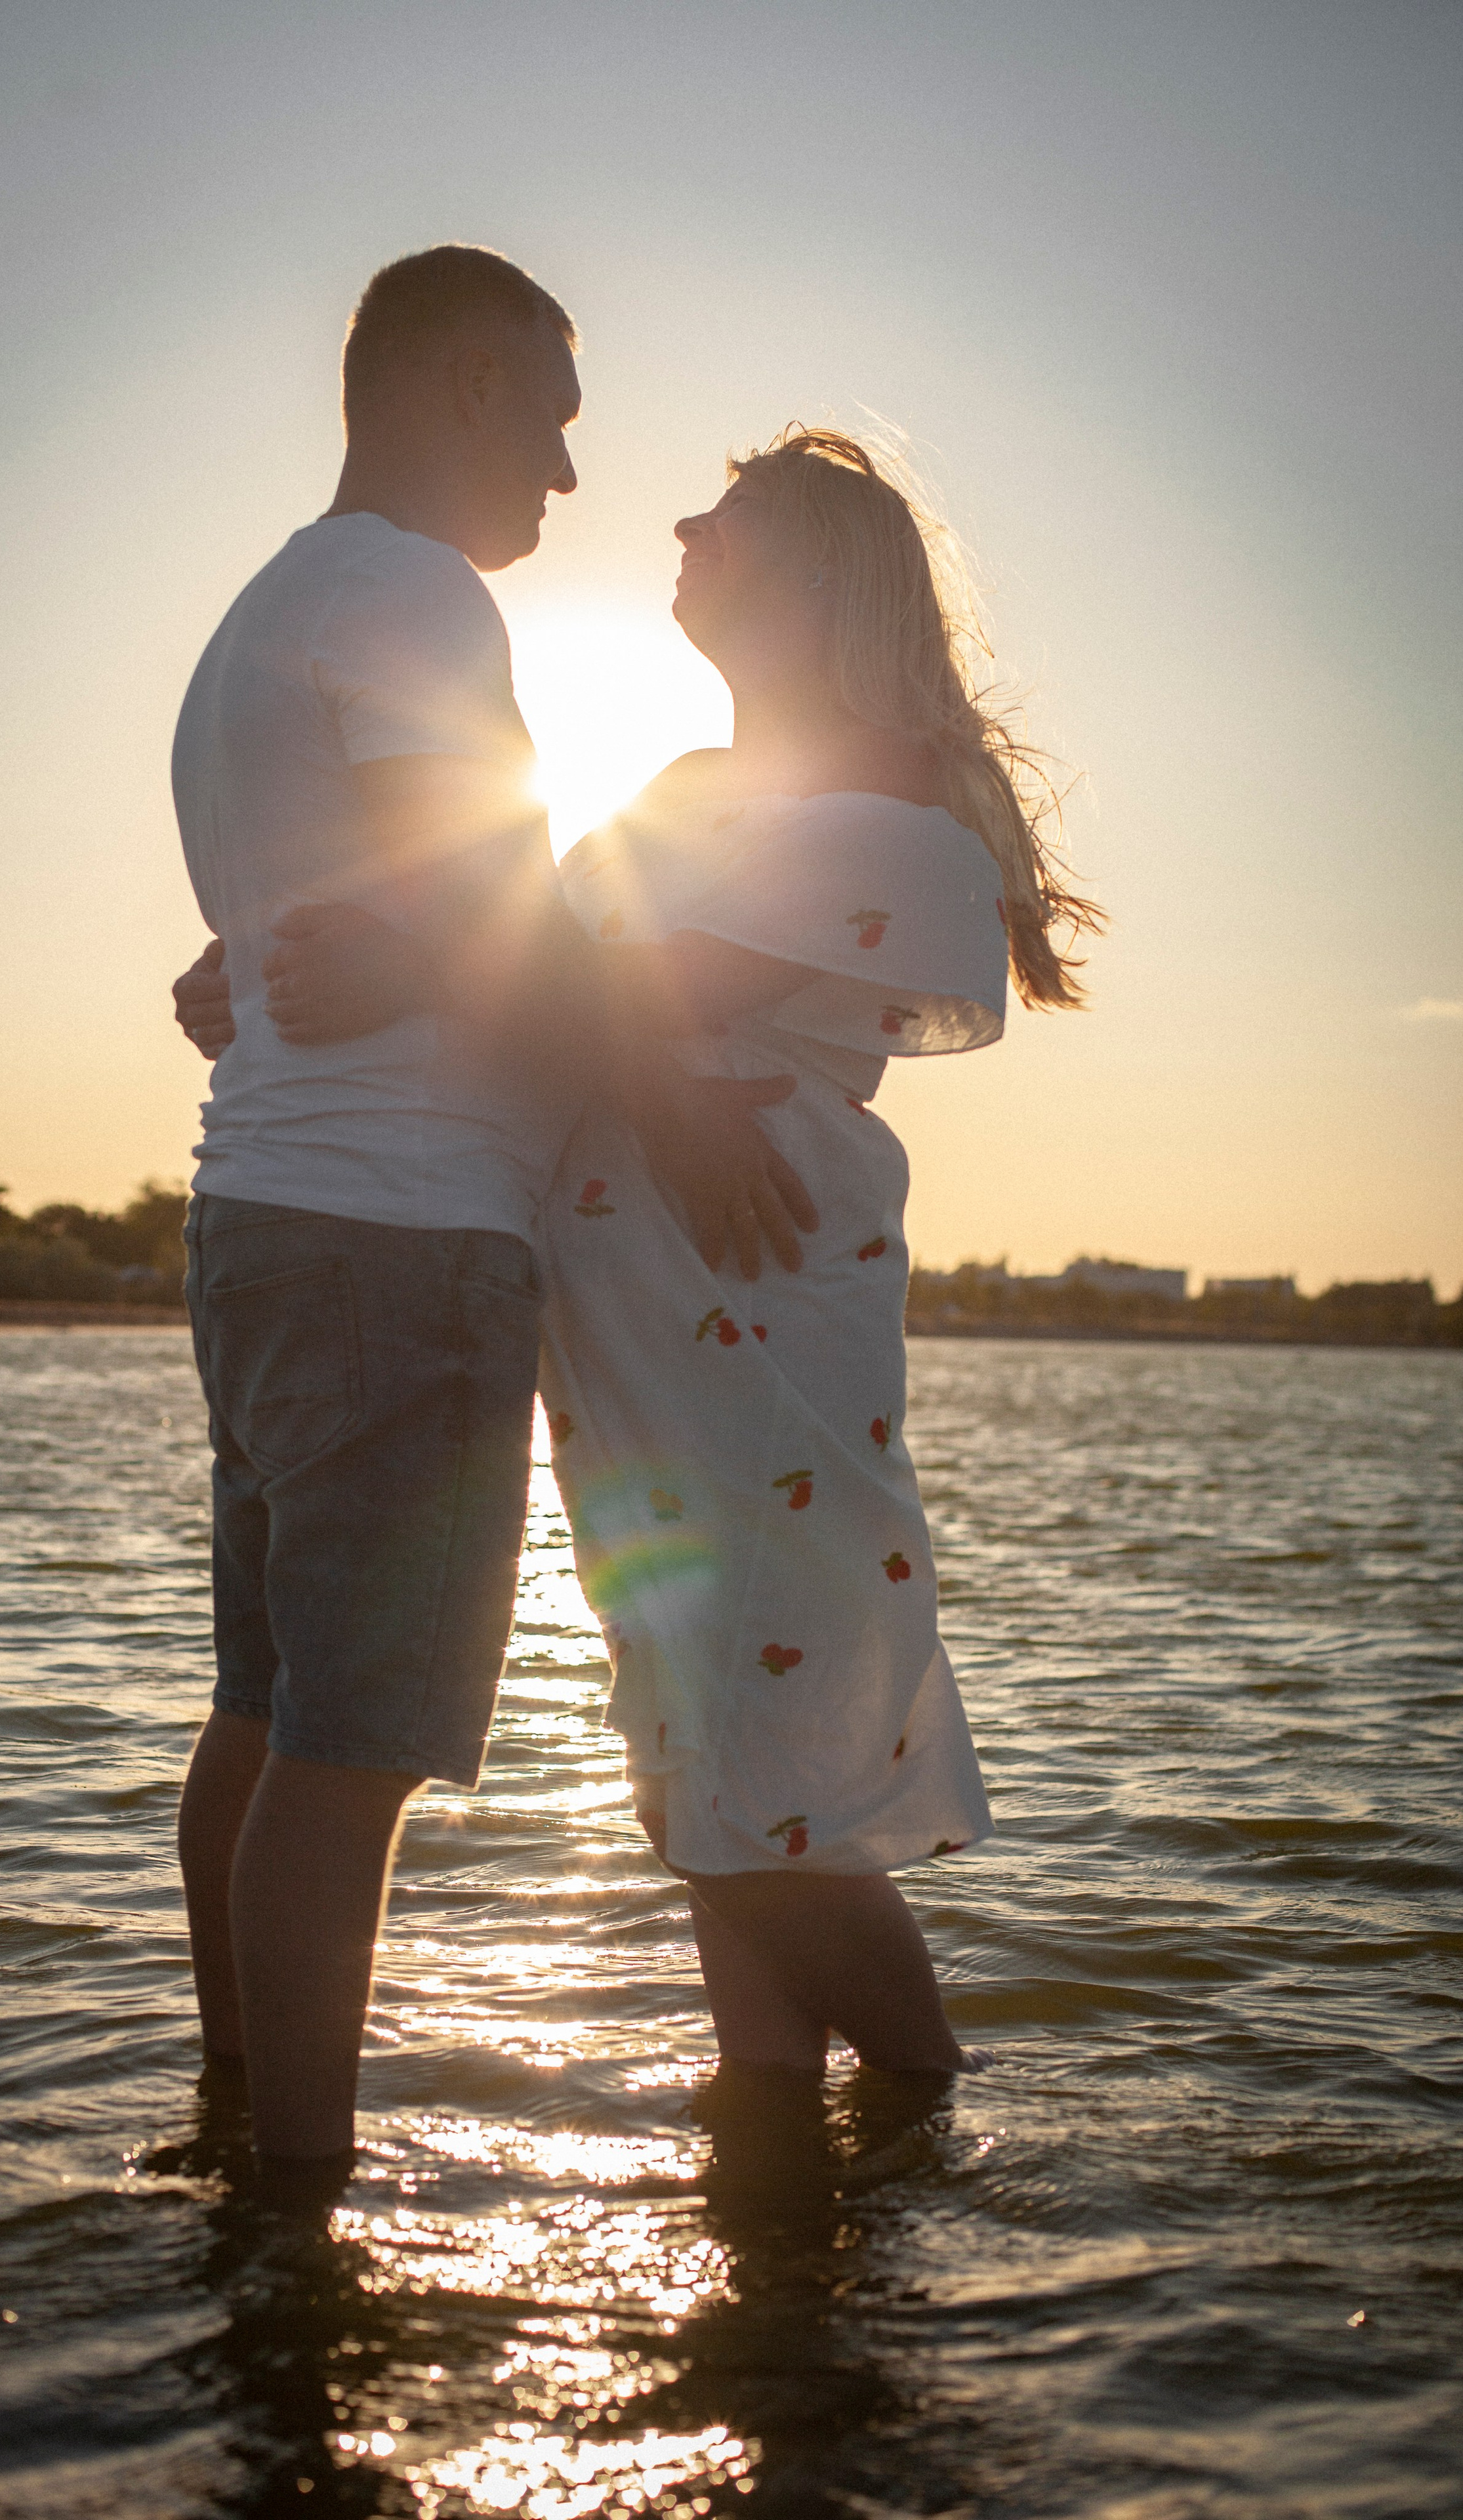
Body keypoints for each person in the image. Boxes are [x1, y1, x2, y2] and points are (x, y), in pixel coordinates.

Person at [176, 425, 1099, 2165]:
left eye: (725, 515)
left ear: (818, 571)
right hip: (620, 1308)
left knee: (738, 1773)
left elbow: (633, 977)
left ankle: (925, 2097)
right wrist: (291, 951)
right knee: (705, 1736)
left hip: (755, 1287)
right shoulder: (683, 788)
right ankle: (792, 2176)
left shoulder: (893, 802)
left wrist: (404, 959)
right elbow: (521, 937)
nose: (678, 520)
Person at [169, 244, 816, 2198]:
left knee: (267, 1719)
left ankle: (232, 2137)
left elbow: (370, 923)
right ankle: (296, 2220)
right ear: (459, 384)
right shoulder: (414, 596)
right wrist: (681, 1103)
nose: (565, 467)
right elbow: (495, 919)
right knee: (346, 1756)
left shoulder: (273, 608)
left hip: (268, 1215)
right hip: (396, 1240)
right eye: (548, 412)